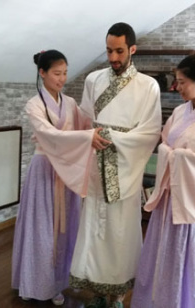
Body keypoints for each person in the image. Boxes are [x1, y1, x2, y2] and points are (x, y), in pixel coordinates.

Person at [69, 22, 162, 308]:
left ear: (132, 49)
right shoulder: (93, 80)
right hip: (96, 167)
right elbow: (84, 121)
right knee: (95, 228)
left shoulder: (149, 86)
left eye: (119, 51)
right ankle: (96, 291)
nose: (113, 58)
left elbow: (150, 133)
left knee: (121, 232)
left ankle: (118, 294)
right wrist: (89, 137)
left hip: (125, 169)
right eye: (109, 51)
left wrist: (110, 137)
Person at [130, 48, 195, 308]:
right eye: (176, 82)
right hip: (168, 197)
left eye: (183, 83)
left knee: (185, 259)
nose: (177, 88)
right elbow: (165, 142)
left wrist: (182, 158)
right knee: (161, 255)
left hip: (192, 199)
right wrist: (170, 154)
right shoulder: (179, 112)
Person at [11, 49, 97, 306]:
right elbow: (50, 135)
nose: (62, 79)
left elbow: (87, 124)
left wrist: (98, 127)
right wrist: (87, 137)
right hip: (45, 170)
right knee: (42, 228)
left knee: (65, 227)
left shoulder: (69, 103)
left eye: (65, 74)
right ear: (42, 73)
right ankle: (37, 282)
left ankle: (60, 281)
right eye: (57, 74)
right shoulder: (34, 105)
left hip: (67, 172)